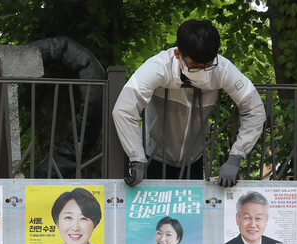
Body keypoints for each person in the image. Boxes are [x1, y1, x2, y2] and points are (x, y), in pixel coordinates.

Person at [112, 19, 266, 187]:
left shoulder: (223, 69)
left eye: (207, 65)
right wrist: (136, 157)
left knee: (191, 213)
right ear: (178, 54)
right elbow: (124, 109)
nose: (201, 70)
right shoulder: (158, 67)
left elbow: (255, 110)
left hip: (194, 159)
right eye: (194, 65)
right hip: (154, 157)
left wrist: (236, 156)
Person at [39, 188, 103, 244]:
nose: (75, 228)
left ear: (94, 224)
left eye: (83, 218)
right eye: (68, 217)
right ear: (57, 222)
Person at [224, 191, 292, 244]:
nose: (253, 225)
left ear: (266, 219)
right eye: (247, 218)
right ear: (237, 218)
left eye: (258, 218)